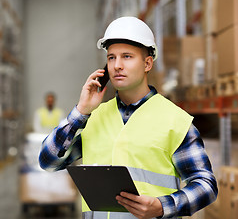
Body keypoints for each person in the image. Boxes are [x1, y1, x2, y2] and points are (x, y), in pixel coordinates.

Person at [39, 16, 218, 219]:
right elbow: (48, 161)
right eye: (111, 57)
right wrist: (80, 111)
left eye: (127, 56)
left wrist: (162, 206)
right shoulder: (92, 117)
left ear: (147, 63)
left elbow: (206, 185)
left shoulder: (175, 121)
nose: (117, 66)